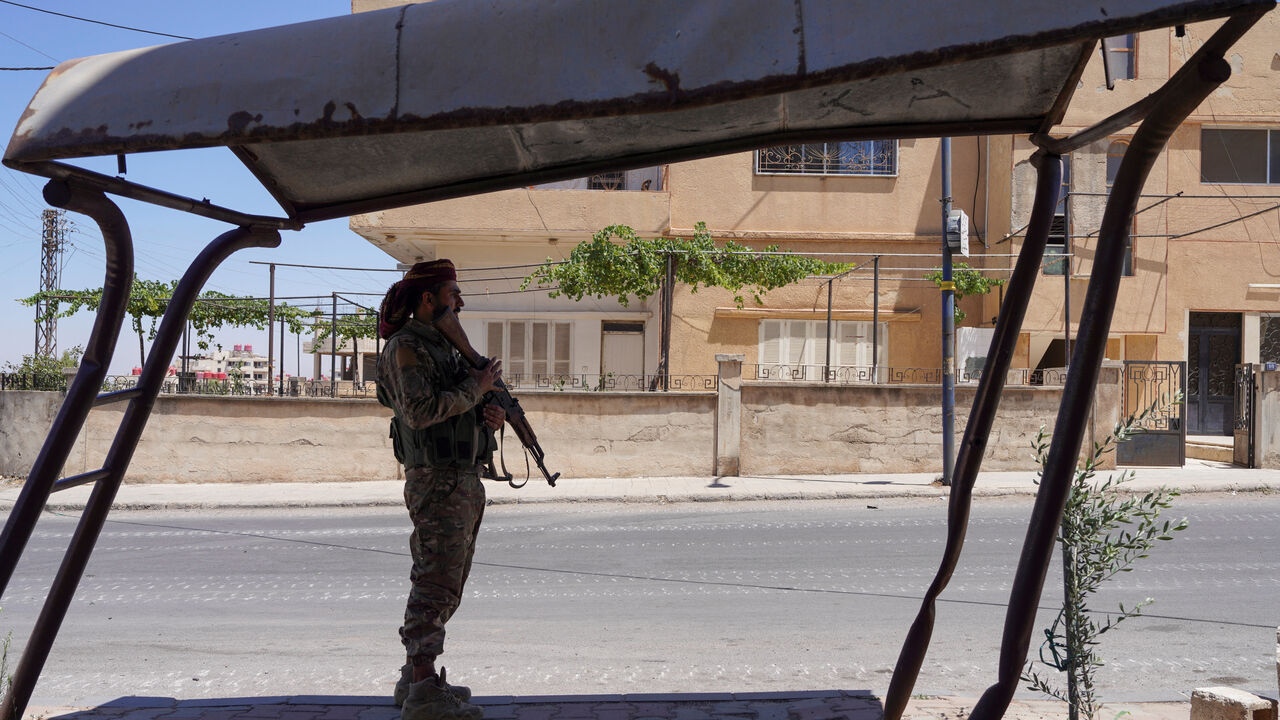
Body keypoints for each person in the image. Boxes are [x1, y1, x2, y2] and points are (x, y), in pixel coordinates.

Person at [376, 259, 504, 720]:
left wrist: (487, 414)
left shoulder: (443, 347)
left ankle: (414, 679)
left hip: (461, 477)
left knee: (447, 582)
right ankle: (424, 691)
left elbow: (457, 405)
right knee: (435, 582)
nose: (460, 302)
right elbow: (419, 412)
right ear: (428, 299)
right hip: (436, 480)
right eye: (453, 293)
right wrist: (475, 388)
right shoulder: (405, 347)